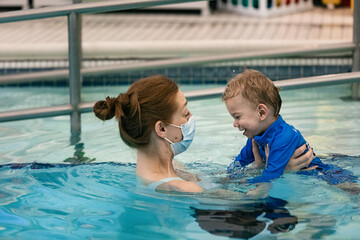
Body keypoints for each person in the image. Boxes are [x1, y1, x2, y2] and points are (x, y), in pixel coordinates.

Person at [93, 75, 315, 193]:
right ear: (161, 129)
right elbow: (249, 205)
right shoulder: (178, 186)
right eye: (185, 113)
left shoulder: (176, 170)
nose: (191, 118)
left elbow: (226, 181)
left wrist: (260, 168)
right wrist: (280, 172)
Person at [222, 69, 358, 188]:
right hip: (302, 177)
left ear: (262, 113)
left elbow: (270, 177)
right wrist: (228, 178)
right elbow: (238, 163)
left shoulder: (283, 137)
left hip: (325, 175)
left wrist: (242, 183)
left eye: (237, 117)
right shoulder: (257, 136)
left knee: (350, 190)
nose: (235, 124)